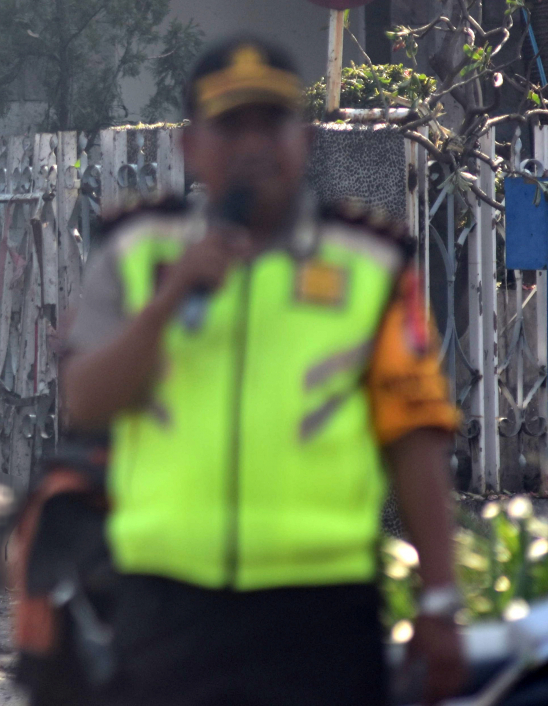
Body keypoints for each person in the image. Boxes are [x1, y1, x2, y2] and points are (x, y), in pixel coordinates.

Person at [60, 37, 465, 706]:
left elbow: (414, 437)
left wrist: (442, 599)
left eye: (269, 123)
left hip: (321, 614)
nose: (252, 145)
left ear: (302, 140)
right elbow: (86, 402)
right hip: (167, 608)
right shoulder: (135, 253)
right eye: (230, 126)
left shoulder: (371, 265)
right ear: (193, 146)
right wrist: (170, 299)